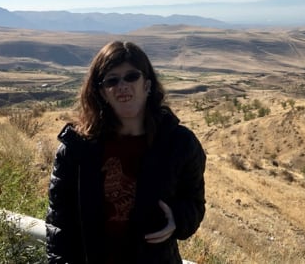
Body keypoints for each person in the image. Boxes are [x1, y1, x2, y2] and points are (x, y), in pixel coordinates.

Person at [46, 41, 206, 263]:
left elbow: (194, 201)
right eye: (112, 80)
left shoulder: (179, 144)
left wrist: (177, 219)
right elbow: (59, 223)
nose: (122, 86)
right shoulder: (76, 147)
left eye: (131, 76)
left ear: (147, 85)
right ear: (102, 92)